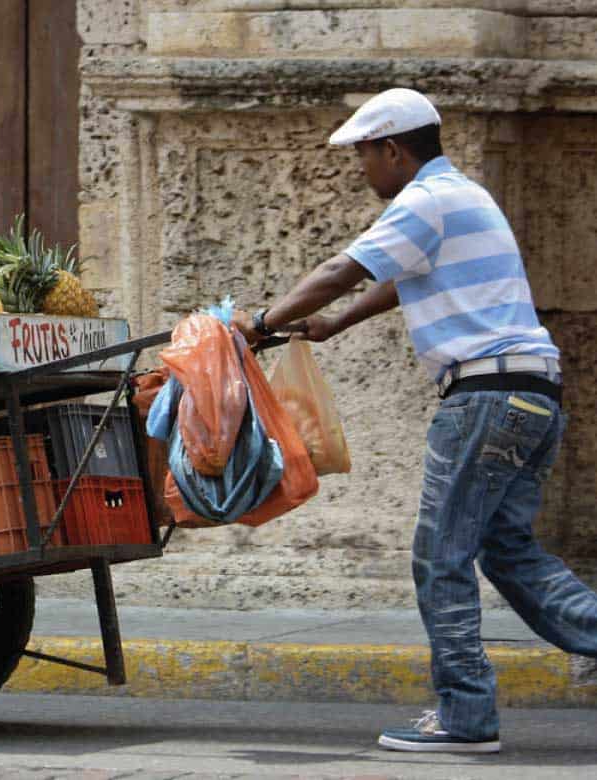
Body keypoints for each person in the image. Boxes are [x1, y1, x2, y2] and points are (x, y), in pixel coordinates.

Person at [233, 88, 597, 754]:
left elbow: (341, 268)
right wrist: (338, 324)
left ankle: (464, 715)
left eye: (364, 155)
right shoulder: (463, 195)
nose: (362, 169)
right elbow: (400, 279)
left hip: (483, 399)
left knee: (440, 556)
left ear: (393, 150)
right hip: (531, 393)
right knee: (511, 556)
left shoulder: (424, 202)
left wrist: (258, 323)